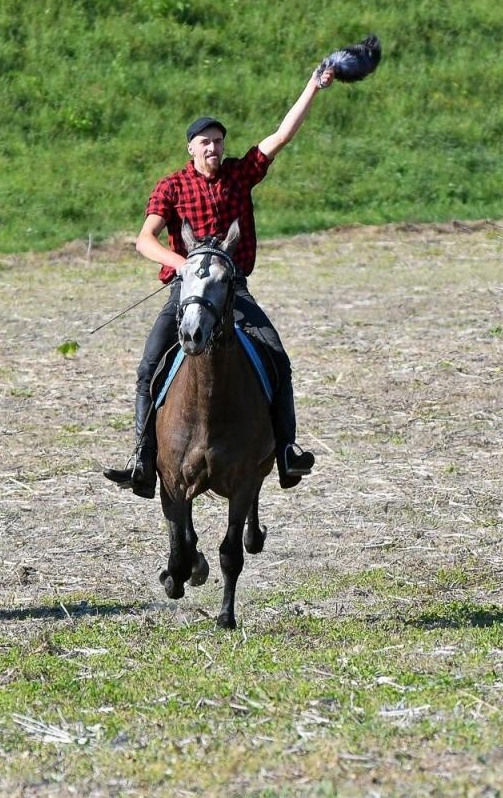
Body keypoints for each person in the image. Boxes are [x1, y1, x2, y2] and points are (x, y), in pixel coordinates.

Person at [103, 65, 336, 499]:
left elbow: (282, 136)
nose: (214, 147)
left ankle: (287, 451)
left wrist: (313, 86)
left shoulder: (239, 174)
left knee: (277, 357)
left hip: (233, 291)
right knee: (149, 366)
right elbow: (144, 240)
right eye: (205, 142)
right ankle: (142, 459)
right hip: (187, 292)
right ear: (191, 148)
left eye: (218, 141)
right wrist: (184, 266)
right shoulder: (171, 187)